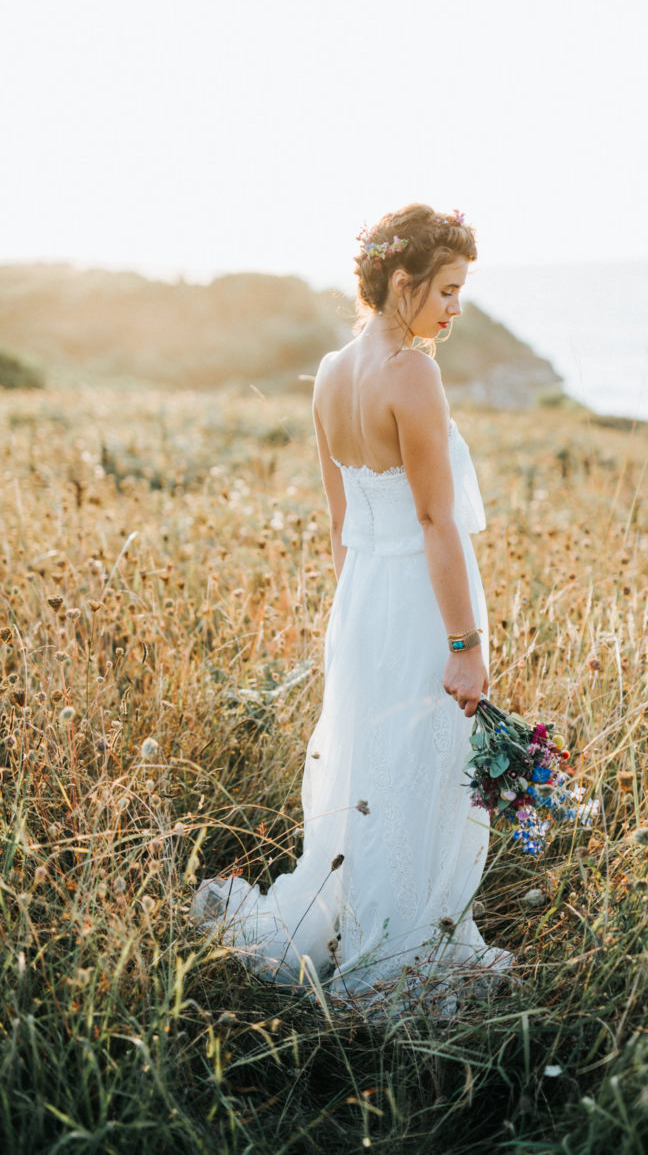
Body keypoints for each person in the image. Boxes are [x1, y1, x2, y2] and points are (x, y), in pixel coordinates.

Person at [191, 203, 512, 1014]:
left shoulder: (332, 371)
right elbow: (435, 521)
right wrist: (464, 642)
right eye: (445, 288)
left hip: (363, 601)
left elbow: (341, 525)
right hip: (416, 604)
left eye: (462, 290)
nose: (455, 307)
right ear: (401, 283)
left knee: (373, 771)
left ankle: (352, 923)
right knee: (419, 777)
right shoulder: (413, 374)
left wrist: (350, 621)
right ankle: (400, 954)